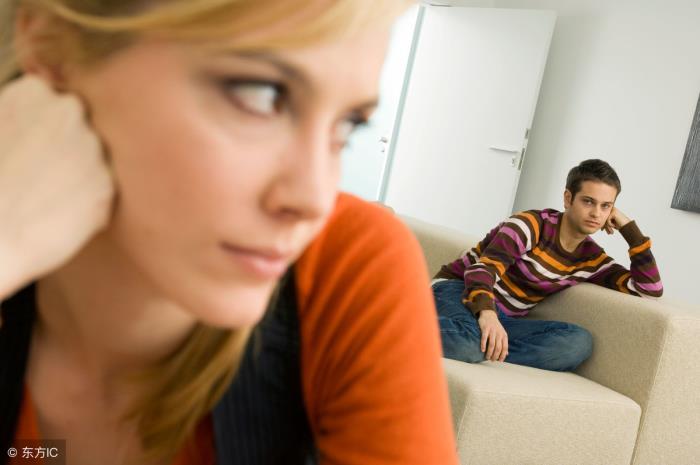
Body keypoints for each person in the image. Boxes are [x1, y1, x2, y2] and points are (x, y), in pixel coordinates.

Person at [0, 1, 459, 465]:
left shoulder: (346, 263)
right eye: (261, 96)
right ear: (51, 48)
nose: (313, 200)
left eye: (347, 127)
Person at [432, 159, 662, 372]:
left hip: (506, 318)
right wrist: (488, 315)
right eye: (588, 201)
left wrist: (629, 229)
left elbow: (649, 289)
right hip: (458, 290)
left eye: (606, 206)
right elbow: (482, 270)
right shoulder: (530, 225)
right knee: (468, 344)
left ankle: (486, 346)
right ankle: (428, 328)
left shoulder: (591, 258)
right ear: (568, 198)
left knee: (577, 343)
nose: (596, 213)